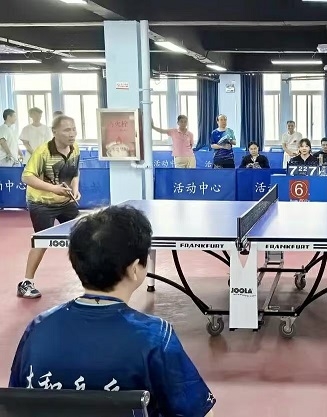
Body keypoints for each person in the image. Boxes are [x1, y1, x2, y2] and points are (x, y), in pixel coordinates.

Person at [9, 205, 216, 417]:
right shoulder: (155, 337)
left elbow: (15, 404)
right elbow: (198, 412)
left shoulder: (37, 329)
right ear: (134, 269)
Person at [18, 115, 81, 299]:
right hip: (41, 203)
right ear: (54, 132)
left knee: (83, 237)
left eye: (74, 129)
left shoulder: (75, 148)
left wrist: (75, 189)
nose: (72, 134)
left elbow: (75, 172)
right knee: (42, 241)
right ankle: (26, 283)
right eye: (67, 130)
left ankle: (92, 279)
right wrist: (54, 189)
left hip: (65, 201)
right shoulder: (43, 152)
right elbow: (26, 177)